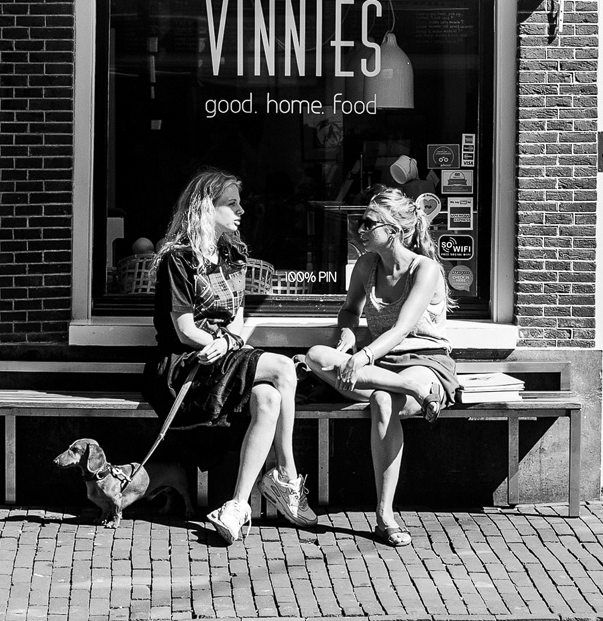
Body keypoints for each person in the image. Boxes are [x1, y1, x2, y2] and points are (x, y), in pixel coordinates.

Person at [143, 168, 313, 545]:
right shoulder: (179, 260)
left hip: (224, 355)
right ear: (207, 207)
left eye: (240, 203)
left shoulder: (233, 254)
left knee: (268, 397)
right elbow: (185, 328)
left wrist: (230, 342)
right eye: (231, 203)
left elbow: (236, 321)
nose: (241, 211)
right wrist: (218, 343)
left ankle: (237, 506)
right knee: (284, 367)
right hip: (186, 364)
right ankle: (286, 475)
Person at [300, 187, 458, 547]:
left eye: (368, 223)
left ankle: (384, 516)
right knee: (316, 356)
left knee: (383, 401)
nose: (359, 229)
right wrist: (347, 335)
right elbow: (351, 310)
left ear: (394, 231)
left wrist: (363, 357)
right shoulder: (367, 265)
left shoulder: (425, 269)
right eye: (360, 222)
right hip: (380, 361)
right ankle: (417, 393)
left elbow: (403, 327)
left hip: (422, 359)